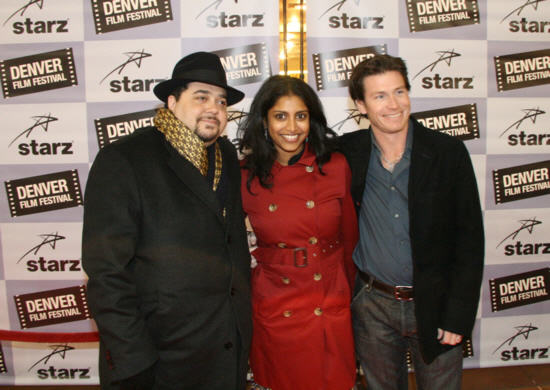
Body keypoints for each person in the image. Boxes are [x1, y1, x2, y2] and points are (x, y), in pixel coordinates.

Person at [82, 52, 252, 390]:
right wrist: (133, 360)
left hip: (222, 350)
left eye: (221, 101)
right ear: (172, 102)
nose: (213, 108)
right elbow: (106, 272)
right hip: (157, 360)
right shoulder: (125, 159)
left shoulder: (227, 156)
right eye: (201, 97)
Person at [338, 54, 484, 390]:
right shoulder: (348, 152)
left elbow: (470, 241)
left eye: (399, 92)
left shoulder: (448, 153)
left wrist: (458, 313)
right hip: (372, 305)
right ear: (361, 105)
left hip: (436, 302)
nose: (393, 104)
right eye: (379, 96)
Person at [238, 75, 358, 390]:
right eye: (280, 116)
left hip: (329, 301)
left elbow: (350, 240)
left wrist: (349, 298)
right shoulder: (245, 176)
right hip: (276, 304)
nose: (292, 127)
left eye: (301, 116)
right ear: (264, 121)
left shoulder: (335, 166)